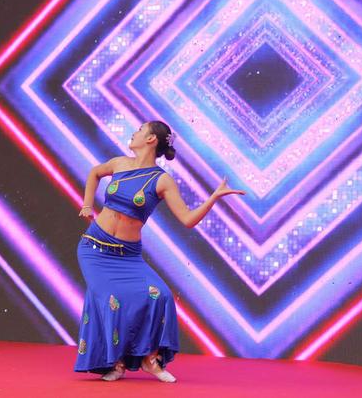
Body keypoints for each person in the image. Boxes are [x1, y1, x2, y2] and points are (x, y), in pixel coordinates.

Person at [74, 120, 245, 382]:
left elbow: (187, 219)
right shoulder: (119, 163)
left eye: (139, 130)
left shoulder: (162, 180)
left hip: (128, 256)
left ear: (151, 139)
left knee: (161, 295)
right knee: (111, 298)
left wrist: (213, 198)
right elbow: (95, 173)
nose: (134, 133)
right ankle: (116, 363)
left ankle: (149, 359)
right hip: (95, 249)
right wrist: (87, 205)